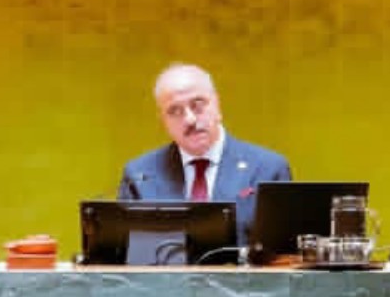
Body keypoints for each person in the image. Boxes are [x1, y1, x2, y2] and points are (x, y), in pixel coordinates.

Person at [117, 63, 292, 248]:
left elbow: (285, 255)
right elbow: (125, 255)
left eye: (198, 105)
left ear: (217, 105)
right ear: (163, 121)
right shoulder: (139, 175)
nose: (190, 119)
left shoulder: (268, 169)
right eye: (175, 111)